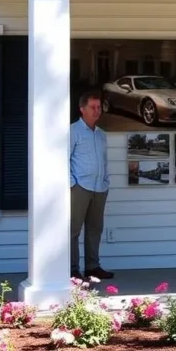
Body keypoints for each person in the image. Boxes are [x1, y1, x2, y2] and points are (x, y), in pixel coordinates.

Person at [70, 91, 114, 280]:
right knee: (73, 229)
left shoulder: (101, 135)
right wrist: (72, 184)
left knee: (95, 228)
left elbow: (103, 161)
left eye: (99, 107)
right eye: (93, 107)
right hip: (80, 187)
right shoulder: (72, 131)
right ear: (82, 109)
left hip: (99, 188)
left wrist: (105, 181)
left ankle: (92, 267)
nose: (97, 111)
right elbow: (63, 159)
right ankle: (72, 270)